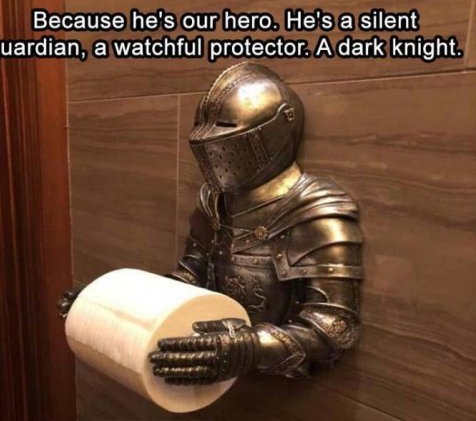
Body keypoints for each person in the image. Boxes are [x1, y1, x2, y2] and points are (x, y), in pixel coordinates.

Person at [58, 62, 364, 385]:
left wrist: (251, 348)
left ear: (277, 131)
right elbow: (190, 276)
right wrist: (107, 305)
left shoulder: (315, 211)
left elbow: (335, 326)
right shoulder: (214, 201)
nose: (218, 159)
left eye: (230, 146)